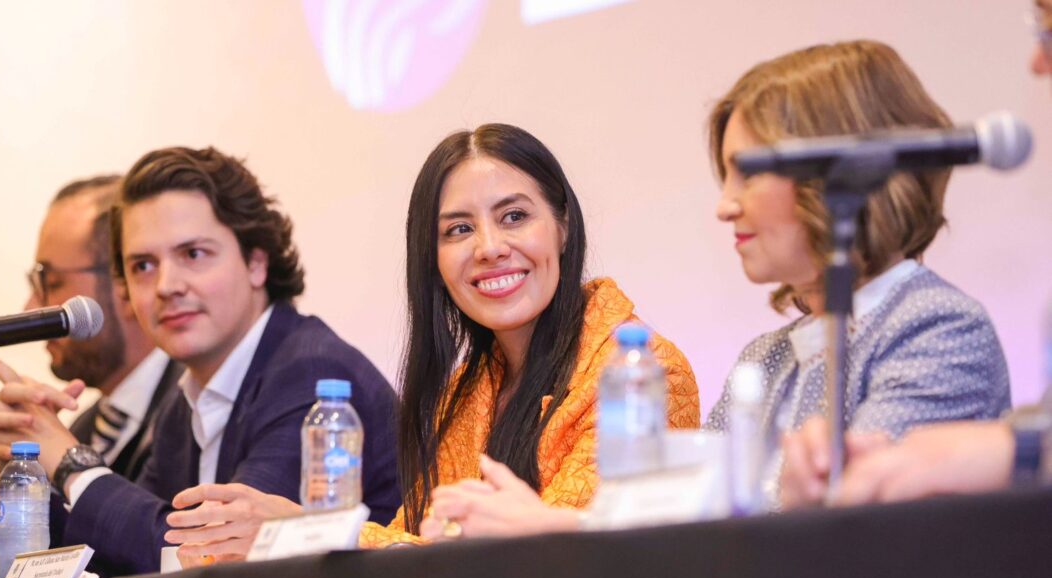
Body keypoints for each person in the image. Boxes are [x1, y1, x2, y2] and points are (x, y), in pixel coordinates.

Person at [418, 40, 1014, 540]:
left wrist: (553, 531)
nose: (726, 205)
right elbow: (686, 538)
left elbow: (853, 547)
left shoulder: (936, 327)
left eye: (747, 174)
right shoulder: (766, 358)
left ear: (845, 181)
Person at [160, 123, 700, 557]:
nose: (489, 248)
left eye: (514, 216)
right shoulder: (462, 389)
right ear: (434, 260)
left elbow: (559, 558)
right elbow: (418, 549)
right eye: (458, 230)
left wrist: (301, 526)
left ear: (562, 225)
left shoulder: (644, 373)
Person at [0, 147, 400, 575]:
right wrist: (24, 475)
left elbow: (211, 552)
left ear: (256, 262)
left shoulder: (311, 374)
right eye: (142, 265)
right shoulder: (186, 403)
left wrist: (71, 462)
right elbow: (114, 558)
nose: (166, 285)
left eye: (193, 254)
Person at [779, 7, 1052, 507]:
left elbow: (854, 517)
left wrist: (1015, 452)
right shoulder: (765, 354)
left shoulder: (939, 325)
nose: (1038, 63)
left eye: (1049, 34)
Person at [0, 176, 182, 578]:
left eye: (49, 280)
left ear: (124, 279)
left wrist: (67, 461)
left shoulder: (189, 410)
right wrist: (21, 487)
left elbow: (150, 564)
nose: (31, 307)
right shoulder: (83, 426)